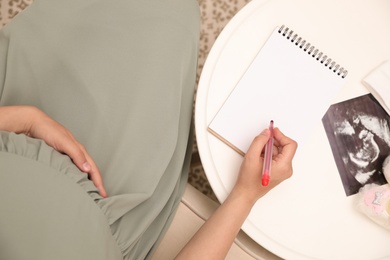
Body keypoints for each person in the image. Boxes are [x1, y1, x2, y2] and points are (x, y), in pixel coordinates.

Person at [0, 0, 297, 259]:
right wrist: (244, 195)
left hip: (10, 131)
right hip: (109, 203)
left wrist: (26, 119)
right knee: (172, 14)